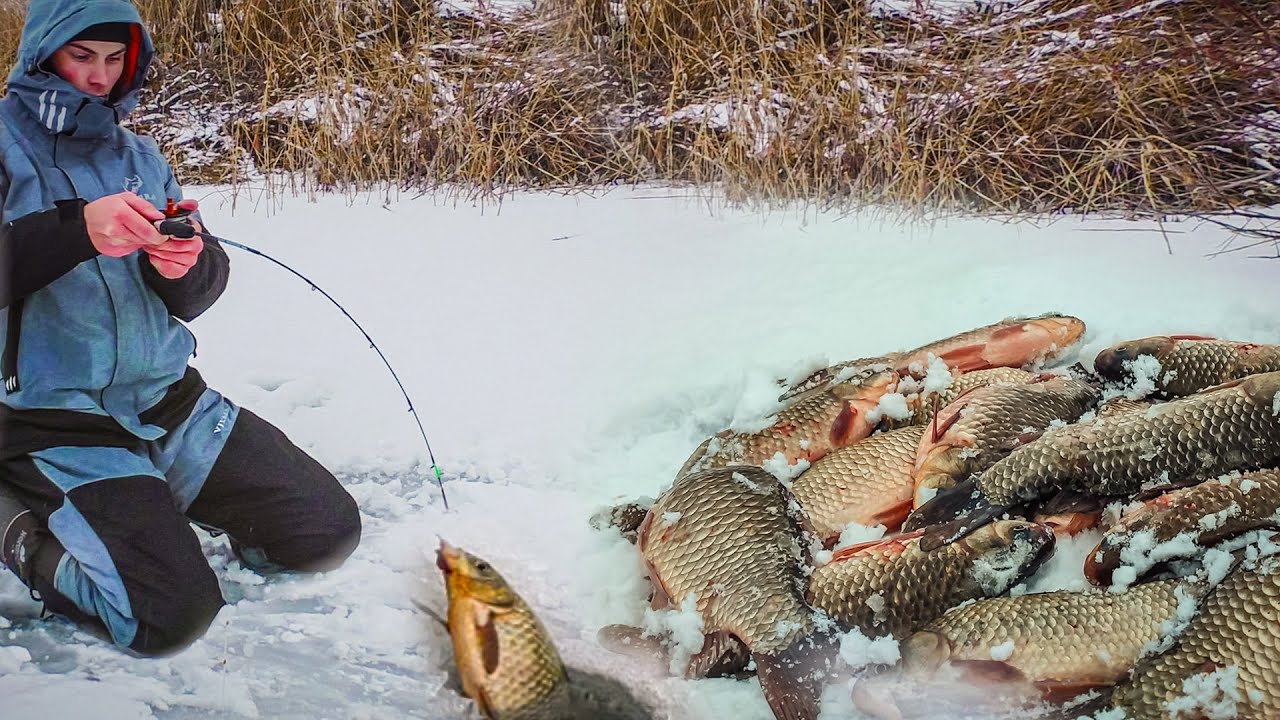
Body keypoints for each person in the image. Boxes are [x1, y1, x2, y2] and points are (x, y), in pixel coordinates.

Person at [0, 0, 362, 657]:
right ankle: (16, 521)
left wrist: (186, 263)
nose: (99, 76)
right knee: (167, 617)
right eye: (82, 56)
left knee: (324, 532)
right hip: (52, 419)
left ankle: (146, 503)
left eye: (115, 59)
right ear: (42, 52)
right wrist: (77, 232)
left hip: (167, 401)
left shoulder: (139, 154)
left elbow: (196, 294)